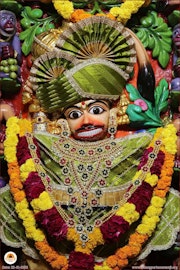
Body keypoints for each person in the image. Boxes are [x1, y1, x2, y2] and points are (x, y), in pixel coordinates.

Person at [1, 16, 179, 270]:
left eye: (96, 109)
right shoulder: (46, 145)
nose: (85, 120)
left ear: (114, 114)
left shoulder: (131, 146)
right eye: (74, 114)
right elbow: (21, 138)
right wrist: (10, 119)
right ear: (62, 121)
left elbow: (161, 142)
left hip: (125, 246)